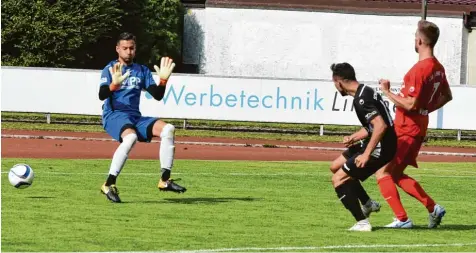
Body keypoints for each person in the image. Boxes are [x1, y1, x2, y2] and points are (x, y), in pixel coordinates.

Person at [375, 20, 452, 228]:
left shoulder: (420, 69)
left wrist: (386, 91)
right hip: (417, 127)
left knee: (383, 172)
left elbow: (410, 103)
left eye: (414, 37)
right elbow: (447, 96)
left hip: (407, 129)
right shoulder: (437, 67)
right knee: (396, 174)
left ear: (419, 40)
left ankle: (402, 219)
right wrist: (425, 110)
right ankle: (432, 208)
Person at [98, 32, 187, 203]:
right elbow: (102, 94)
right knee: (130, 137)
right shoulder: (111, 68)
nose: (128, 52)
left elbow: (157, 95)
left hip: (134, 117)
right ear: (117, 49)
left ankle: (165, 180)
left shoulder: (141, 70)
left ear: (135, 49)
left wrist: (163, 81)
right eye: (125, 48)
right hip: (114, 115)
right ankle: (108, 184)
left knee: (168, 129)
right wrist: (113, 85)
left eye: (131, 48)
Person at [329, 62, 397, 231]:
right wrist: (354, 137)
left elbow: (380, 126)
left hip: (381, 148)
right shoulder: (365, 90)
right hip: (377, 142)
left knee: (338, 179)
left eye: (334, 83)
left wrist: (366, 154)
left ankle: (362, 222)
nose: (335, 87)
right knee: (335, 166)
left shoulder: (361, 99)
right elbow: (373, 126)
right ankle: (367, 203)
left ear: (339, 81)